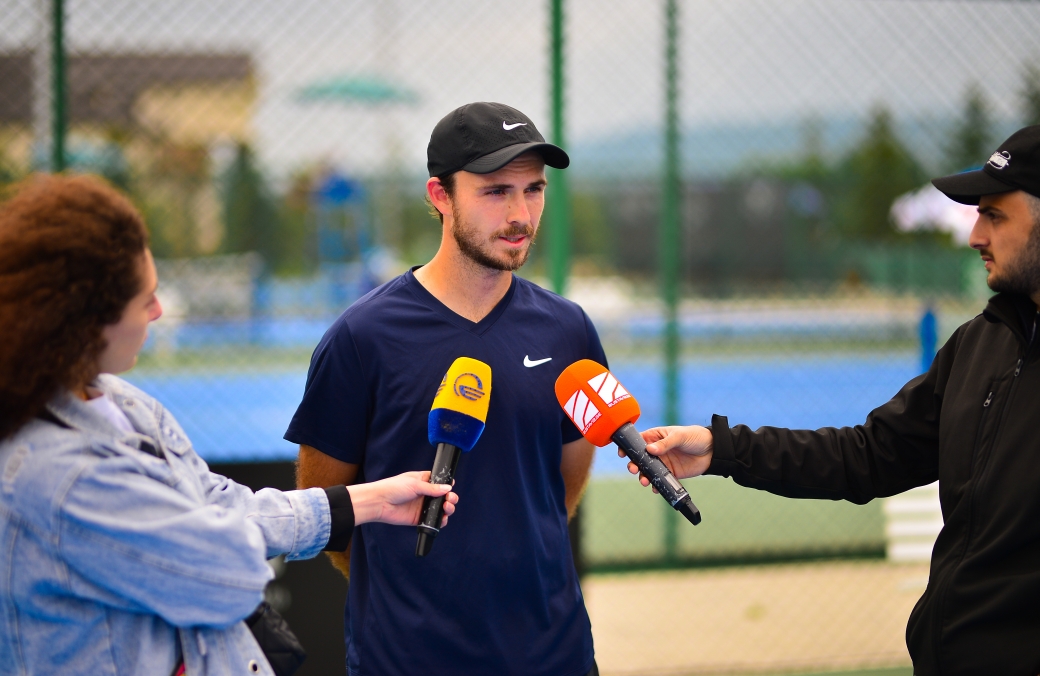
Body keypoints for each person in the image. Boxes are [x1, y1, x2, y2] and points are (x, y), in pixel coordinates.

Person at [0, 174, 458, 676]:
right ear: (83, 323)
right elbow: (228, 576)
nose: (157, 311)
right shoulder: (62, 478)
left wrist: (366, 500)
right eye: (143, 299)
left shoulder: (122, 401)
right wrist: (226, 541)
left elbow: (220, 507)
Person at [623, 125, 1040, 675]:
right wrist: (719, 450)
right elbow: (869, 455)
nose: (974, 235)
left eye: (995, 215)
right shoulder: (979, 344)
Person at [286, 102, 604, 676]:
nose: (520, 214)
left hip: (553, 655)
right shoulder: (361, 338)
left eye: (533, 190)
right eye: (495, 191)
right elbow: (329, 507)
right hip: (407, 659)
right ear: (439, 195)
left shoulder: (569, 328)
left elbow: (566, 481)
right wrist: (410, 590)